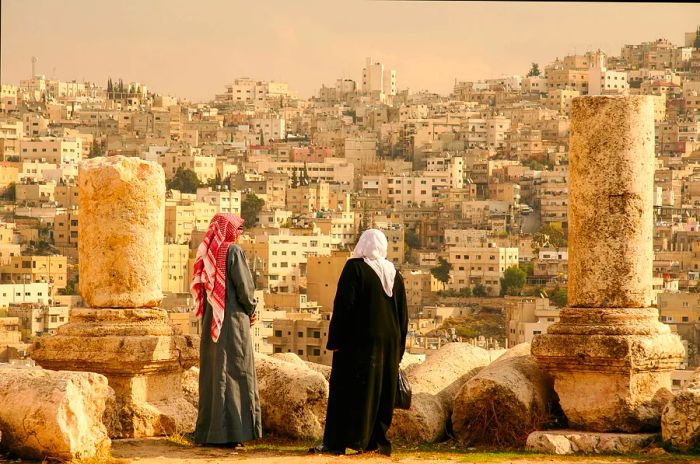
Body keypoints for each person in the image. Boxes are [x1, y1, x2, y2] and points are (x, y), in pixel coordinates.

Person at [313, 228, 408, 456]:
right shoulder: (395, 274)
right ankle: (376, 442)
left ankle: (336, 443)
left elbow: (344, 306)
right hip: (390, 341)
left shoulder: (354, 268)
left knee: (346, 389)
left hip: (359, 341)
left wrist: (335, 340)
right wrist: (399, 349)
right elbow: (403, 315)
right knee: (380, 390)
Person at [190, 213, 262, 447]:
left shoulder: (208, 254)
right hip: (232, 322)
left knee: (214, 375)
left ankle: (211, 433)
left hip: (213, 322)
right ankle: (233, 433)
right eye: (237, 228)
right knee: (236, 372)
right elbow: (245, 289)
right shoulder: (233, 252)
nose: (239, 233)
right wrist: (252, 310)